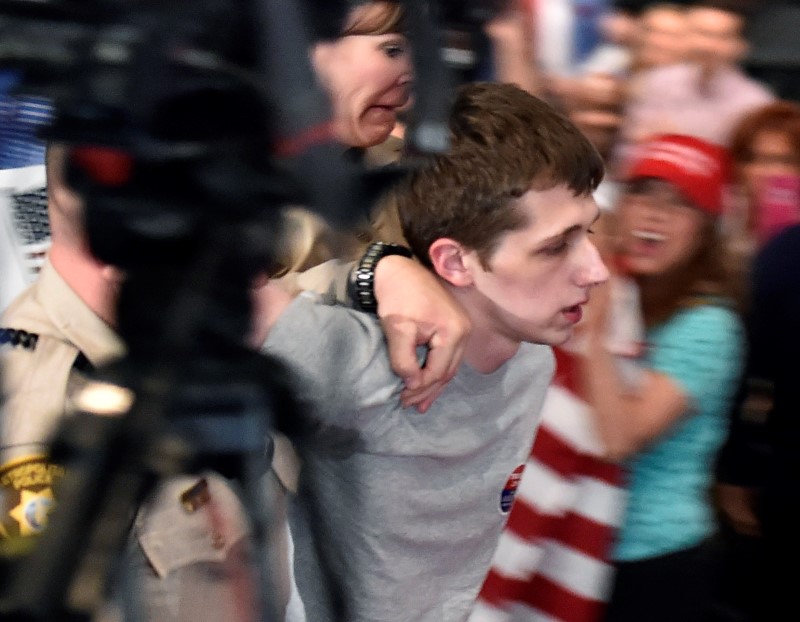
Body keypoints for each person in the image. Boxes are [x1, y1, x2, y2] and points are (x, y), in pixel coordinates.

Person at [252, 80, 609, 622]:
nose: (596, 270)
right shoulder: (368, 365)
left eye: (588, 232)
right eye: (556, 246)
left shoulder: (534, 357)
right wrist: (374, 271)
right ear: (455, 262)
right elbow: (195, 286)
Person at [578, 134, 745, 622]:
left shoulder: (709, 325)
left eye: (681, 204)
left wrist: (592, 337)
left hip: (654, 559)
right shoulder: (625, 294)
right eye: (643, 194)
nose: (654, 214)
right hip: (585, 544)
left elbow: (621, 437)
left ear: (706, 231)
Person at [614, 0, 774, 173]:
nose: (706, 46)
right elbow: (628, 149)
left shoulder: (755, 101)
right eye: (700, 34)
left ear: (740, 45)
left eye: (720, 37)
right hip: (648, 179)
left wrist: (674, 141)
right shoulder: (655, 82)